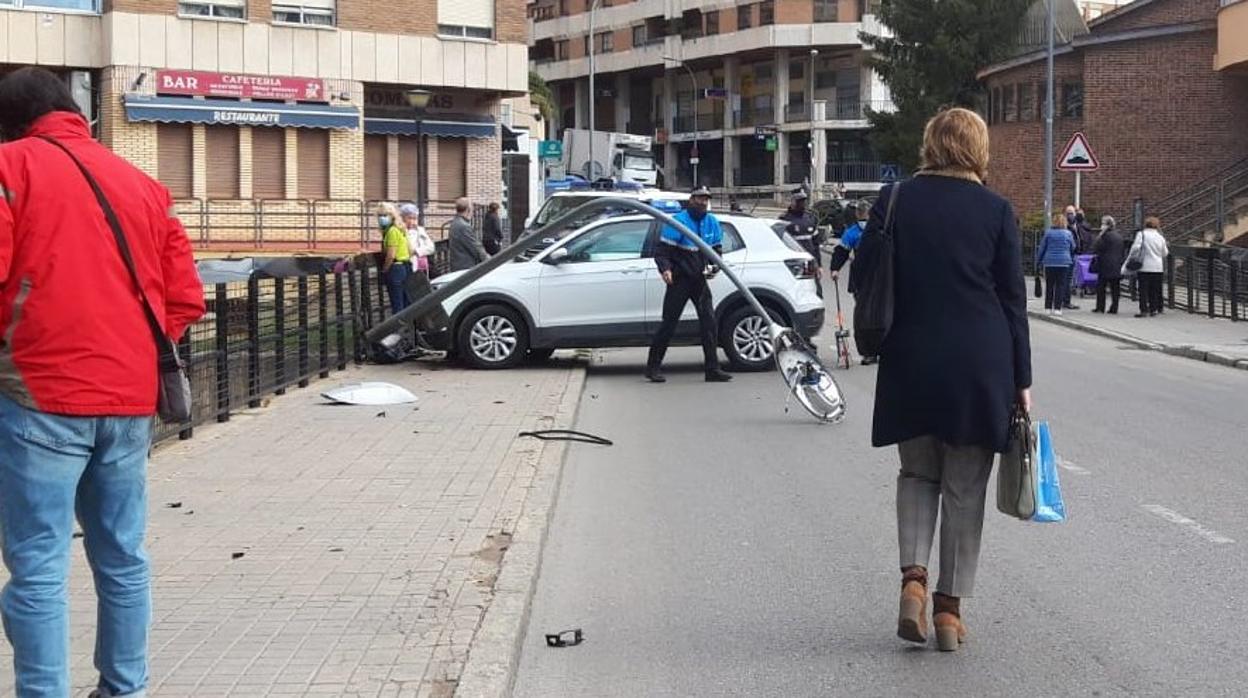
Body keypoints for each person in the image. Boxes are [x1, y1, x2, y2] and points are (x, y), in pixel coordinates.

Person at [0, 67, 206, 697]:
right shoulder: (143, 184)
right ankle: (125, 688)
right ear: (74, 111)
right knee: (122, 557)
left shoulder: (9, 170)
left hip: (39, 390)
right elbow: (185, 299)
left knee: (37, 563)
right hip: (128, 397)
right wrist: (129, 347)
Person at [851, 107, 1032, 653]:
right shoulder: (998, 210)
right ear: (978, 148)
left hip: (911, 360)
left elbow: (863, 276)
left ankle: (913, 581)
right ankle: (950, 614)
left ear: (931, 144)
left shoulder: (896, 200)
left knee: (916, 475)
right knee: (964, 489)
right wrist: (1021, 378)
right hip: (980, 365)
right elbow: (1013, 303)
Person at [646, 186, 733, 384]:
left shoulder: (712, 222)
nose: (702, 203)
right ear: (691, 199)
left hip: (699, 280)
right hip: (679, 279)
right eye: (699, 198)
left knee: (709, 323)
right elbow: (662, 252)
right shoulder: (678, 221)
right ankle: (653, 368)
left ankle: (712, 369)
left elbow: (716, 253)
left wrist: (714, 268)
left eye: (706, 199)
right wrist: (665, 269)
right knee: (669, 323)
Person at [829, 200, 877, 365]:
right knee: (879, 314)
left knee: (864, 316)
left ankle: (869, 352)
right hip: (878, 278)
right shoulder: (880, 228)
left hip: (861, 278)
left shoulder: (852, 232)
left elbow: (841, 251)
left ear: (857, 214)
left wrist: (835, 269)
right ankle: (878, 349)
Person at [779, 190, 823, 295]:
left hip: (810, 264)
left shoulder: (811, 218)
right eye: (799, 201)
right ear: (792, 202)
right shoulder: (784, 220)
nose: (802, 204)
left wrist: (819, 265)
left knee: (817, 293)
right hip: (794, 265)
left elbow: (816, 244)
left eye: (803, 201)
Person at [1126, 216, 1169, 318]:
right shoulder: (1160, 237)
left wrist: (1132, 257)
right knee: (1154, 289)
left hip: (1144, 266)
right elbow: (1165, 252)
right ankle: (1154, 309)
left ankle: (1144, 309)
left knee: (1143, 289)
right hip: (1158, 267)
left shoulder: (1142, 234)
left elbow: (1136, 247)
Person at [1037, 212, 1078, 315]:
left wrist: (1038, 261)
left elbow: (1042, 248)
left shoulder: (1048, 233)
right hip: (1064, 262)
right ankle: (1057, 308)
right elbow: (1073, 247)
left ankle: (1047, 307)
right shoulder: (1068, 233)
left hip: (1049, 262)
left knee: (1050, 285)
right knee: (1060, 285)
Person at [378, 202, 412, 313]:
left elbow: (391, 255)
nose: (381, 218)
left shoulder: (392, 231)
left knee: (397, 304)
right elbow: (410, 250)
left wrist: (384, 270)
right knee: (406, 302)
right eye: (379, 215)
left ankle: (399, 329)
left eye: (385, 215)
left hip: (396, 269)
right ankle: (409, 329)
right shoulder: (400, 229)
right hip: (406, 267)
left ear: (392, 215)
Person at [1092, 215, 1124, 314]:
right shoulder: (1119, 236)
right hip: (1117, 264)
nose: (1101, 226)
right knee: (1115, 288)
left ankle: (1100, 307)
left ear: (1107, 225)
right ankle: (1114, 307)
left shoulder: (1104, 236)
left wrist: (1100, 235)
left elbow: (1096, 248)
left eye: (1103, 223)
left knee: (1101, 287)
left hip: (1105, 264)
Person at [448, 197, 488, 272]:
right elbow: (476, 247)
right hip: (466, 268)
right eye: (472, 209)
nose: (473, 212)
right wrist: (490, 261)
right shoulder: (464, 226)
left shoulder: (455, 223)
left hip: (458, 266)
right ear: (468, 209)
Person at [400, 203, 436, 278]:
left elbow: (431, 247)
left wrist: (417, 251)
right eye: (409, 218)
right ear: (403, 218)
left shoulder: (420, 230)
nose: (412, 221)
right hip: (406, 266)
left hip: (420, 267)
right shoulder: (399, 231)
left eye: (414, 218)